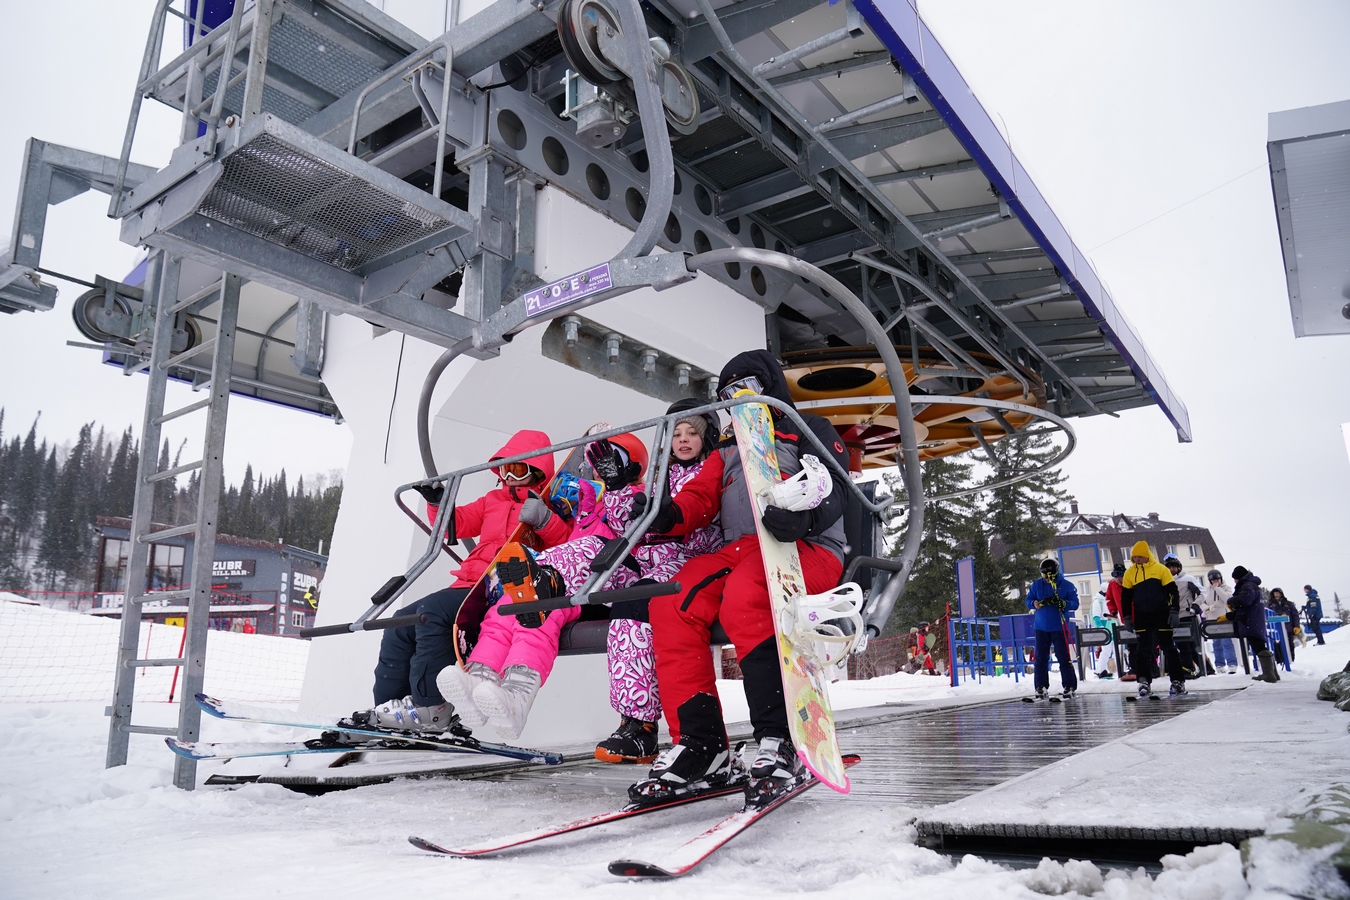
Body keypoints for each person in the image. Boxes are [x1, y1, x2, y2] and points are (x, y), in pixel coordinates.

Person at [631, 350, 853, 809]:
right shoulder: (728, 447)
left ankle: (780, 735)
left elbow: (835, 484)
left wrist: (807, 520)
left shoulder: (805, 428)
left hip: (803, 549)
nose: (739, 399)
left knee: (746, 598)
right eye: (728, 393)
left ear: (770, 384)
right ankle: (702, 744)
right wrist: (666, 514)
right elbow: (699, 497)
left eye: (747, 386)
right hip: (741, 550)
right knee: (672, 603)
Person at [437, 433, 650, 740]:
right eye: (597, 461)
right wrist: (583, 511)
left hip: (599, 587)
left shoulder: (637, 498)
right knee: (505, 608)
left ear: (630, 468)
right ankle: (480, 674)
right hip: (566, 577)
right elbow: (573, 543)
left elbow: (619, 537)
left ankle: (518, 696)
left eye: (611, 461)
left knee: (538, 614)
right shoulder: (588, 499)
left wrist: (603, 503)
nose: (601, 468)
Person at [360, 429, 571, 732]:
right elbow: (453, 527)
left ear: (537, 470)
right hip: (469, 582)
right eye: (504, 469)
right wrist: (438, 502)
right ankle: (390, 709)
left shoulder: (551, 502)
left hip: (503, 585)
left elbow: (566, 545)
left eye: (518, 469)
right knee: (401, 620)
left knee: (429, 616)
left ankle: (432, 707)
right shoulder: (492, 501)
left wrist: (545, 520)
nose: (509, 477)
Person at [594, 399, 724, 764]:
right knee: (616, 589)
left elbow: (711, 524)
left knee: (638, 602)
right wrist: (618, 486)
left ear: (707, 438)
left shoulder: (714, 472)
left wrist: (670, 525)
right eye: (676, 434)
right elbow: (625, 526)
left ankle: (644, 725)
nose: (683, 440)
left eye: (692, 434)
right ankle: (635, 724)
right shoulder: (656, 478)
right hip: (648, 562)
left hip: (688, 561)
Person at [1121, 541, 1184, 698]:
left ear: (1147, 555)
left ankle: (1177, 681)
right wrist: (1127, 617)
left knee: (1168, 647)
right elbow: (1126, 598)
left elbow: (1173, 591)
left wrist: (1174, 611)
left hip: (1161, 613)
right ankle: (1143, 681)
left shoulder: (1160, 569)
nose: (1137, 560)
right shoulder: (1129, 574)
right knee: (1142, 649)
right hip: (1142, 616)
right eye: (1134, 557)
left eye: (1140, 557)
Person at [1025, 558, 1080, 699]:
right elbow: (1028, 600)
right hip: (1041, 627)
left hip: (1059, 627)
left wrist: (1064, 603)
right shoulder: (1036, 585)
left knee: (1063, 657)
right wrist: (1034, 603)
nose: (1047, 578)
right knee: (1040, 659)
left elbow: (1075, 603)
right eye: (1044, 575)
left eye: (1049, 575)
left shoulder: (1067, 586)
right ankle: (1040, 686)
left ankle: (1069, 685)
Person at [1229, 565, 1277, 683]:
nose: (1235, 581)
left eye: (1235, 579)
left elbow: (1246, 600)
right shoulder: (1253, 585)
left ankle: (1268, 674)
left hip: (1251, 621)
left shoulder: (1248, 586)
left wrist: (1231, 601)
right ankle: (1272, 673)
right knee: (1260, 646)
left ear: (1239, 578)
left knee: (1259, 646)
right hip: (1255, 620)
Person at [1163, 554, 1206, 677]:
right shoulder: (1164, 581)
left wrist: (1196, 605)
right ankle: (1190, 668)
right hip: (1173, 616)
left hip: (1188, 615)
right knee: (1181, 644)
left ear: (1179, 567)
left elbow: (1203, 592)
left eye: (1174, 567)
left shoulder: (1188, 578)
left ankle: (1201, 669)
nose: (1172, 570)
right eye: (1169, 567)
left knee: (1192, 644)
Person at [1088, 563, 1125, 678]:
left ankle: (1117, 669)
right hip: (1106, 629)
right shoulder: (1098, 601)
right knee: (1107, 651)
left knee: (1116, 650)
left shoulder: (1103, 600)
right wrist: (1101, 629)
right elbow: (1096, 616)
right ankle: (1101, 670)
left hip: (1111, 627)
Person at [1202, 569, 1237, 673]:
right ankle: (1219, 665)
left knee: (1227, 642)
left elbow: (1227, 599)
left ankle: (1232, 664)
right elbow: (1202, 601)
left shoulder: (1227, 588)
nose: (1215, 582)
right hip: (1212, 619)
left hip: (1224, 617)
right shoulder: (1206, 589)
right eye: (1213, 580)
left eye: (1217, 579)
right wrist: (1207, 608)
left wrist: (1217, 588)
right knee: (1216, 643)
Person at [1267, 588, 1300, 665]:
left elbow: (1295, 616)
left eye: (1277, 593)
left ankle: (1291, 661)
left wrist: (1296, 626)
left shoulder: (1289, 604)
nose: (1276, 595)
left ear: (1281, 594)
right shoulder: (1270, 605)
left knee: (1290, 645)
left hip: (1288, 629)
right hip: (1276, 630)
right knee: (1278, 647)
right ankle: (1280, 662)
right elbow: (1267, 617)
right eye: (1274, 593)